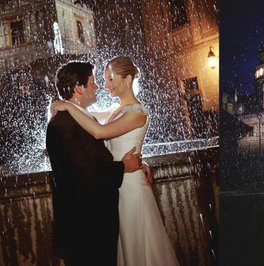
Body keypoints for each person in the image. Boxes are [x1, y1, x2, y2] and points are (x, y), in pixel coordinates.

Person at [51, 56, 179, 266]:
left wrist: (67, 106)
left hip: (130, 188)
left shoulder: (138, 112)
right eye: (103, 79)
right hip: (117, 185)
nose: (105, 85)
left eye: (110, 79)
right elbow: (84, 120)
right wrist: (61, 108)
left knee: (138, 247)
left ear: (127, 80)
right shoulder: (114, 110)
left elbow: (99, 132)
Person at [46, 61, 143, 266]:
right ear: (78, 88)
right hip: (86, 226)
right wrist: (123, 167)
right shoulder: (62, 124)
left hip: (96, 222)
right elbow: (84, 173)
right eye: (93, 82)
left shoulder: (79, 118)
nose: (98, 86)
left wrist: (140, 164)